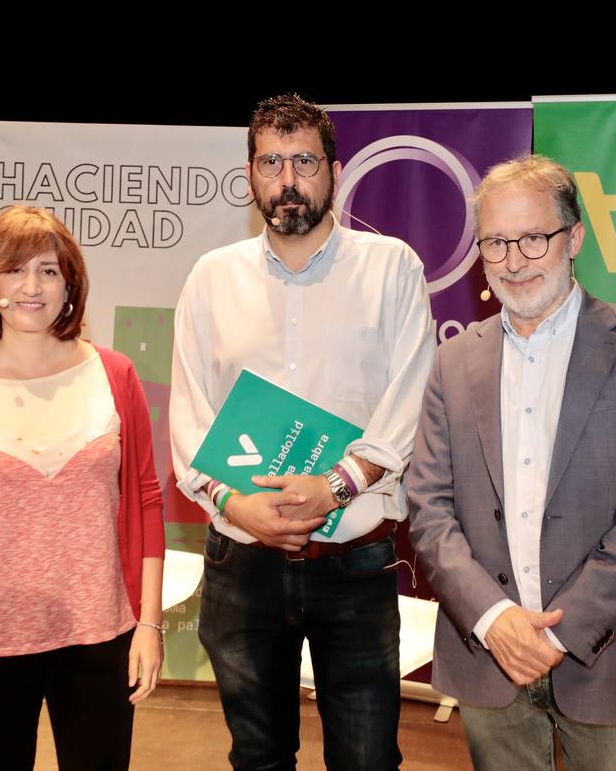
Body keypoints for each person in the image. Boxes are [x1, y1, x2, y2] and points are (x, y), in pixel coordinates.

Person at [170, 93, 435, 769]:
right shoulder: (210, 279)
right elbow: (190, 421)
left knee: (368, 759)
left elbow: (409, 407)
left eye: (305, 162)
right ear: (251, 175)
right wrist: (239, 506)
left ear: (336, 171)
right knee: (258, 756)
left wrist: (337, 485)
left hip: (354, 563)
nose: (289, 180)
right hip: (241, 565)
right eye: (272, 163)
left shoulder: (391, 269)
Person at [406, 155, 616, 771]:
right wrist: (496, 621)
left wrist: (559, 634)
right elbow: (429, 509)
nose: (514, 261)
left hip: (609, 662)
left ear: (575, 239)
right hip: (489, 658)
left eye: (533, 238)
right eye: (495, 243)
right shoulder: (453, 362)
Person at [0, 206, 166, 771]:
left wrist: (149, 626)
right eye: (15, 270)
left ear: (70, 287)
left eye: (49, 271)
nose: (32, 286)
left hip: (100, 638)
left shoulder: (115, 376)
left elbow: (146, 503)